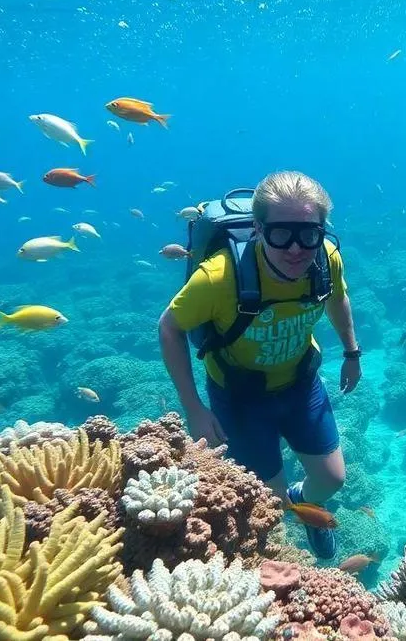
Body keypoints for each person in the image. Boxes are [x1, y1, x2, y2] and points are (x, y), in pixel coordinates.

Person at [158, 170, 361, 559]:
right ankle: (292, 514)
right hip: (240, 399)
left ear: (322, 231)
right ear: (257, 228)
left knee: (333, 479)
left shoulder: (326, 260)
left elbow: (338, 299)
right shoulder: (218, 277)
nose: (297, 249)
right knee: (269, 502)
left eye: (309, 234)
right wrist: (194, 409)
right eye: (281, 233)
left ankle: (305, 505)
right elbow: (169, 328)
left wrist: (351, 352)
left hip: (301, 385)